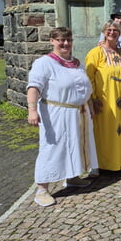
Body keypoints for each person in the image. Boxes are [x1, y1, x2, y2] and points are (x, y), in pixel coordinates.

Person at [27, 27, 98, 207]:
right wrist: (32, 110)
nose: (65, 43)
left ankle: (72, 177)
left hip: (78, 113)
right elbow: (34, 87)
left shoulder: (76, 63)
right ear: (52, 41)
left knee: (75, 144)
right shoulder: (44, 63)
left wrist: (89, 106)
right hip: (56, 114)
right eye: (61, 40)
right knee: (53, 149)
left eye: (68, 40)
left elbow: (85, 89)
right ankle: (42, 189)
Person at [86, 21, 121, 173]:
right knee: (105, 132)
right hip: (105, 99)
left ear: (120, 33)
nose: (112, 32)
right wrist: (93, 98)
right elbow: (89, 77)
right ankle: (102, 163)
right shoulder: (96, 53)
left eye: (115, 30)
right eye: (109, 30)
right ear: (104, 32)